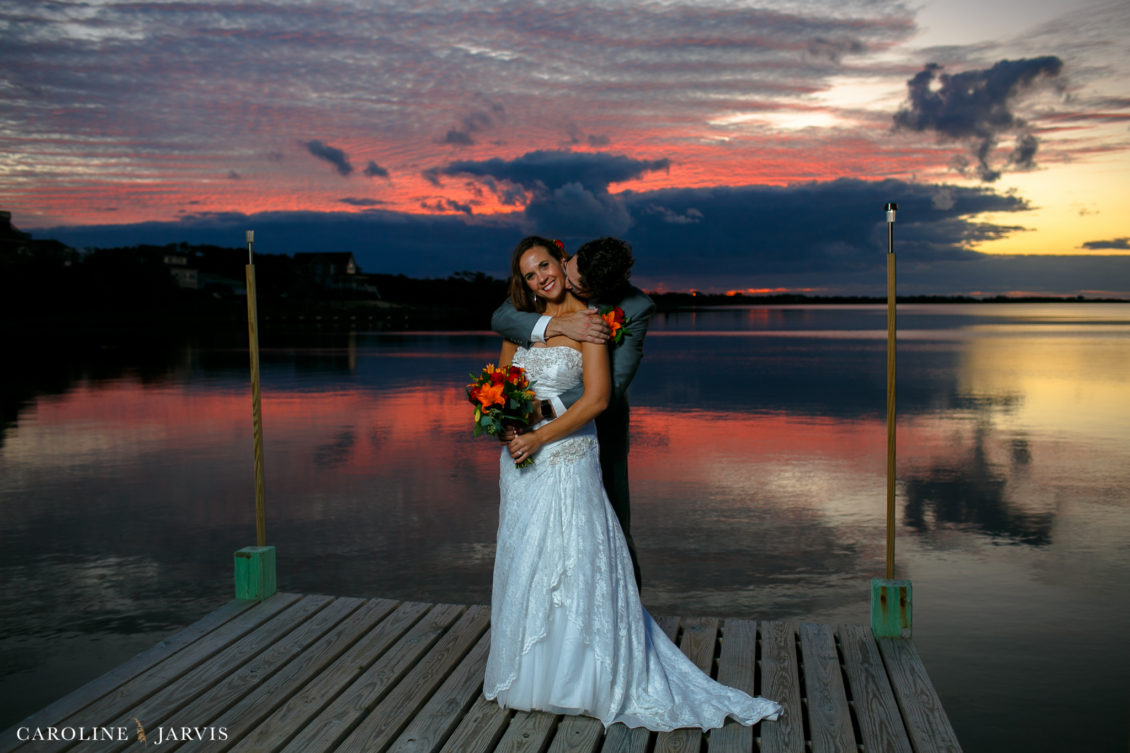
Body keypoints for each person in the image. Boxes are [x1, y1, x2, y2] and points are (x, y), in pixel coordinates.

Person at [482, 236, 782, 730]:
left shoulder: (622, 314)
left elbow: (603, 395)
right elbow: (502, 369)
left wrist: (540, 425)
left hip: (572, 444)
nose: (550, 279)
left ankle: (598, 664)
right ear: (562, 256)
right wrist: (508, 418)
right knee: (526, 553)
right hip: (520, 457)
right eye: (536, 272)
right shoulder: (525, 316)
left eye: (551, 270)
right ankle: (530, 672)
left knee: (587, 548)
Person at [492, 237, 653, 589]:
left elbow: (609, 388)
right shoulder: (544, 278)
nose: (561, 278)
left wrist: (542, 413)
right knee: (527, 538)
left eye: (575, 282)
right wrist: (556, 326)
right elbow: (503, 318)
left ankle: (621, 612)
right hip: (527, 440)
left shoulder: (633, 308)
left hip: (596, 431)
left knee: (609, 527)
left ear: (597, 289)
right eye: (565, 266)